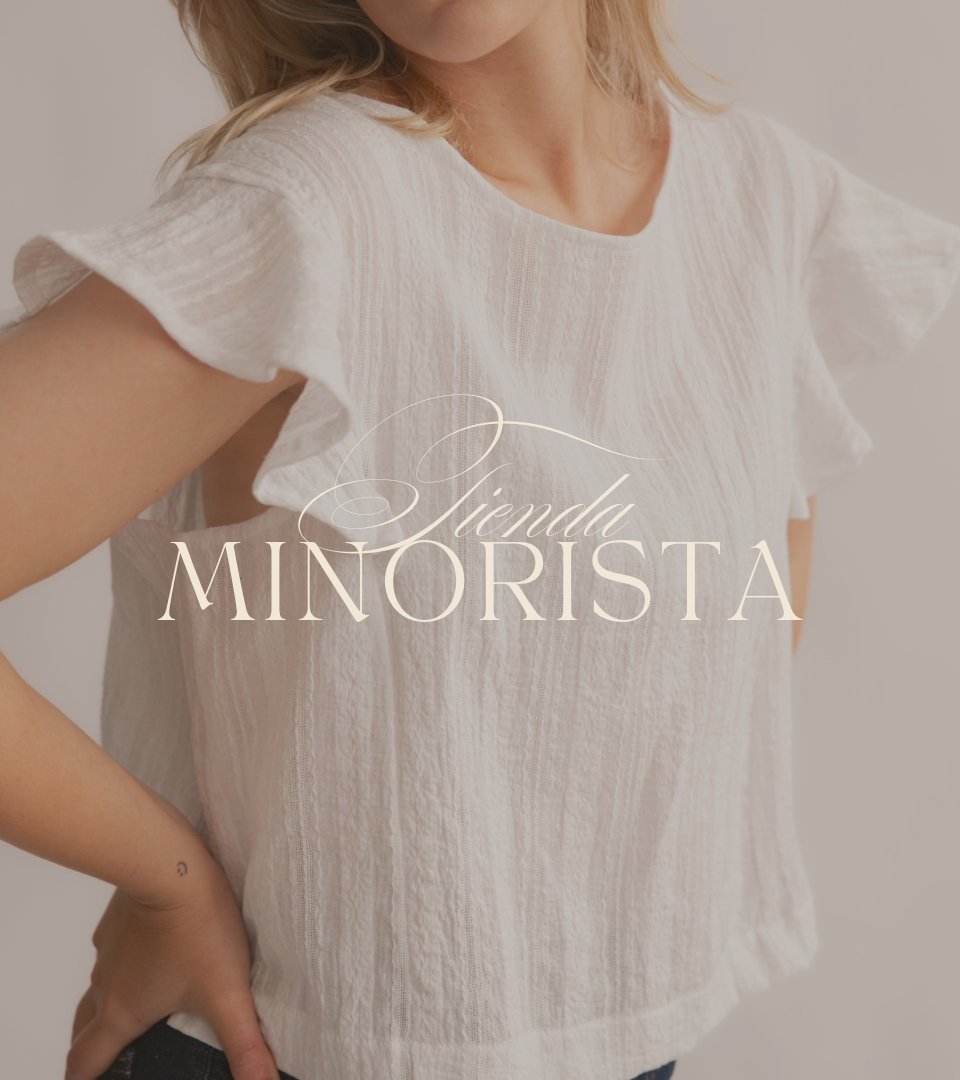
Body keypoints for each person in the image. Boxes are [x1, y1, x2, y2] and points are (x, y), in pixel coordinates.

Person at [2, 2, 959, 1079]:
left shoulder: (761, 201)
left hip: (624, 1043)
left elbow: (740, 631)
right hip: (286, 1051)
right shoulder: (308, 216)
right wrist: (167, 881)